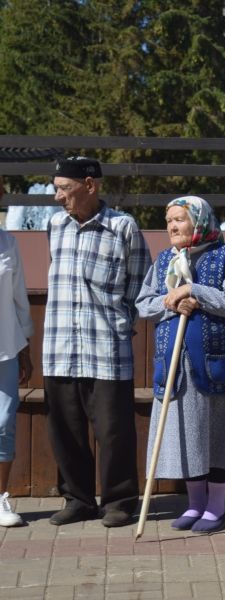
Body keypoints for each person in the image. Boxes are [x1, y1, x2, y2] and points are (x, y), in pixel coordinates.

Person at [43, 157, 151, 527]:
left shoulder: (123, 227)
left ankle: (119, 501)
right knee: (65, 429)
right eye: (56, 188)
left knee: (113, 430)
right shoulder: (55, 225)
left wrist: (122, 325)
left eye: (64, 188)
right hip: (59, 347)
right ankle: (77, 499)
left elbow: (141, 285)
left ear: (90, 185)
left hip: (106, 347)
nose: (58, 197)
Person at [135, 196, 225, 533]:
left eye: (179, 219)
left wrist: (192, 290)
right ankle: (194, 504)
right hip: (174, 366)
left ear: (200, 220)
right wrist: (173, 303)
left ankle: (216, 508)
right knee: (187, 437)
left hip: (214, 365)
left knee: (216, 436)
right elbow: (144, 305)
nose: (172, 226)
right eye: (168, 220)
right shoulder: (163, 262)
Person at [0, 178, 33, 527]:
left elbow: (19, 298)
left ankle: (0, 499)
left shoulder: (8, 243)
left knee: (3, 424)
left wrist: (25, 347)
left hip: (5, 348)